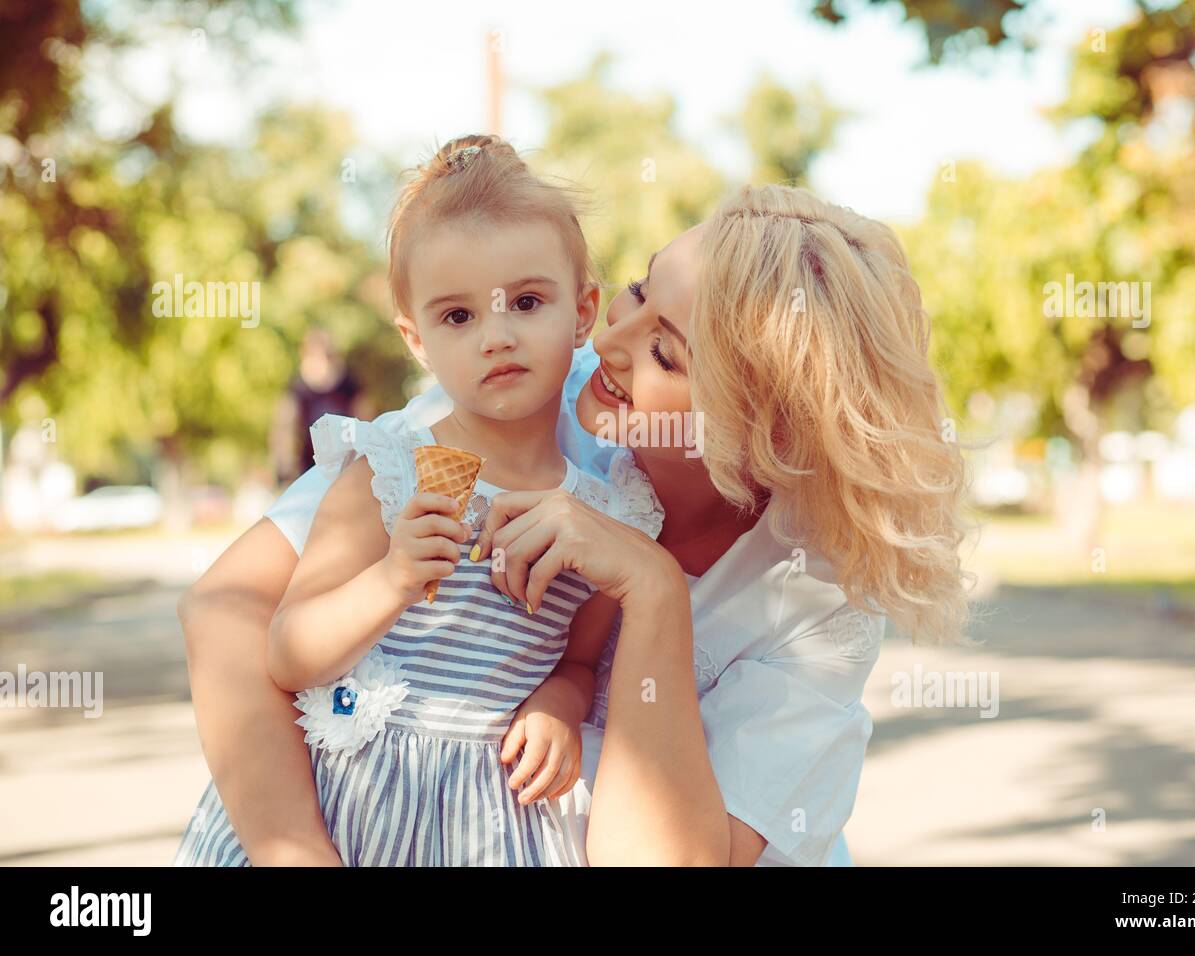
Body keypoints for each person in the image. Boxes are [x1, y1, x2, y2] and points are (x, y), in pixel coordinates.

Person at [176, 172, 973, 866]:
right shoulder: (526, 384)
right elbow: (226, 611)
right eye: (637, 291)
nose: (609, 342)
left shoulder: (815, 600)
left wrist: (650, 586)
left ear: (768, 430)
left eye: (667, 353)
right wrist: (296, 855)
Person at [174, 135, 663, 866]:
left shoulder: (610, 511)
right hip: (352, 802)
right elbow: (286, 654)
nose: (497, 337)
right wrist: (390, 580)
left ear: (584, 310)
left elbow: (580, 662)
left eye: (527, 302)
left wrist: (561, 701)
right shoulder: (388, 470)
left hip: (488, 821)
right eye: (458, 318)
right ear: (417, 340)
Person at [272, 329, 367, 485]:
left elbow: (364, 420)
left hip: (346, 465)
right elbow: (285, 428)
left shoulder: (349, 385)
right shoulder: (297, 389)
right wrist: (285, 464)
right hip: (309, 469)